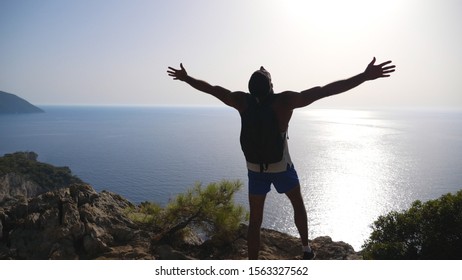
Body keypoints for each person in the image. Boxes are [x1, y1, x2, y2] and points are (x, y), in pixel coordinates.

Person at [167, 58, 396, 259]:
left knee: (255, 221)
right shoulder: (284, 102)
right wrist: (364, 76)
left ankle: (253, 266)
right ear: (271, 86)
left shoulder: (241, 101)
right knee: (298, 205)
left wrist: (187, 78)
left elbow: (212, 89)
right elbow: (326, 90)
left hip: (255, 169)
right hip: (281, 167)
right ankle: (306, 249)